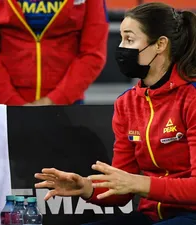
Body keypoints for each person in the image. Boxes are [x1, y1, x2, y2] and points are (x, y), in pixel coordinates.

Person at [35, 2, 196, 225]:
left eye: (129, 40)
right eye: (120, 38)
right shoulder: (126, 103)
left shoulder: (192, 97)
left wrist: (138, 183)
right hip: (150, 217)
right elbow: (122, 191)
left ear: (160, 44)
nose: (121, 48)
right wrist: (86, 187)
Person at [0, 0, 109, 105]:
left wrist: (56, 99)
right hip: (5, 104)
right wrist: (12, 101)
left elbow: (93, 53)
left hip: (66, 106)